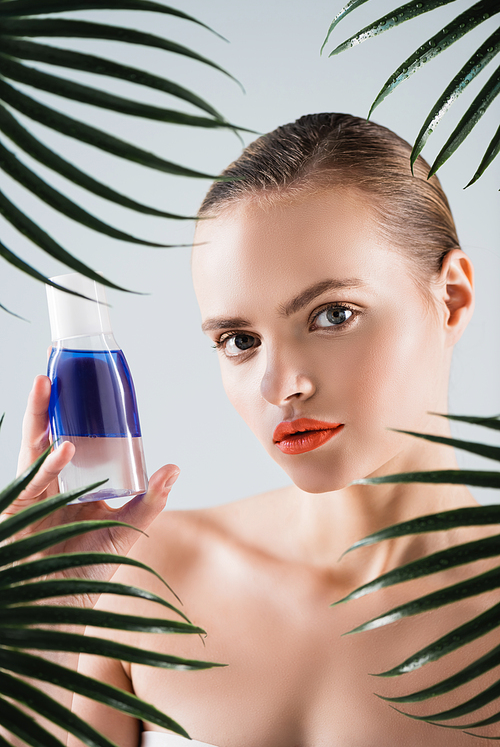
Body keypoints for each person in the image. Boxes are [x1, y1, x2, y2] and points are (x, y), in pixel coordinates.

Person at [9, 113, 497, 746]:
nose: (279, 385)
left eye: (333, 315)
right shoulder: (134, 574)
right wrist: (38, 615)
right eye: (239, 340)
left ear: (451, 296)